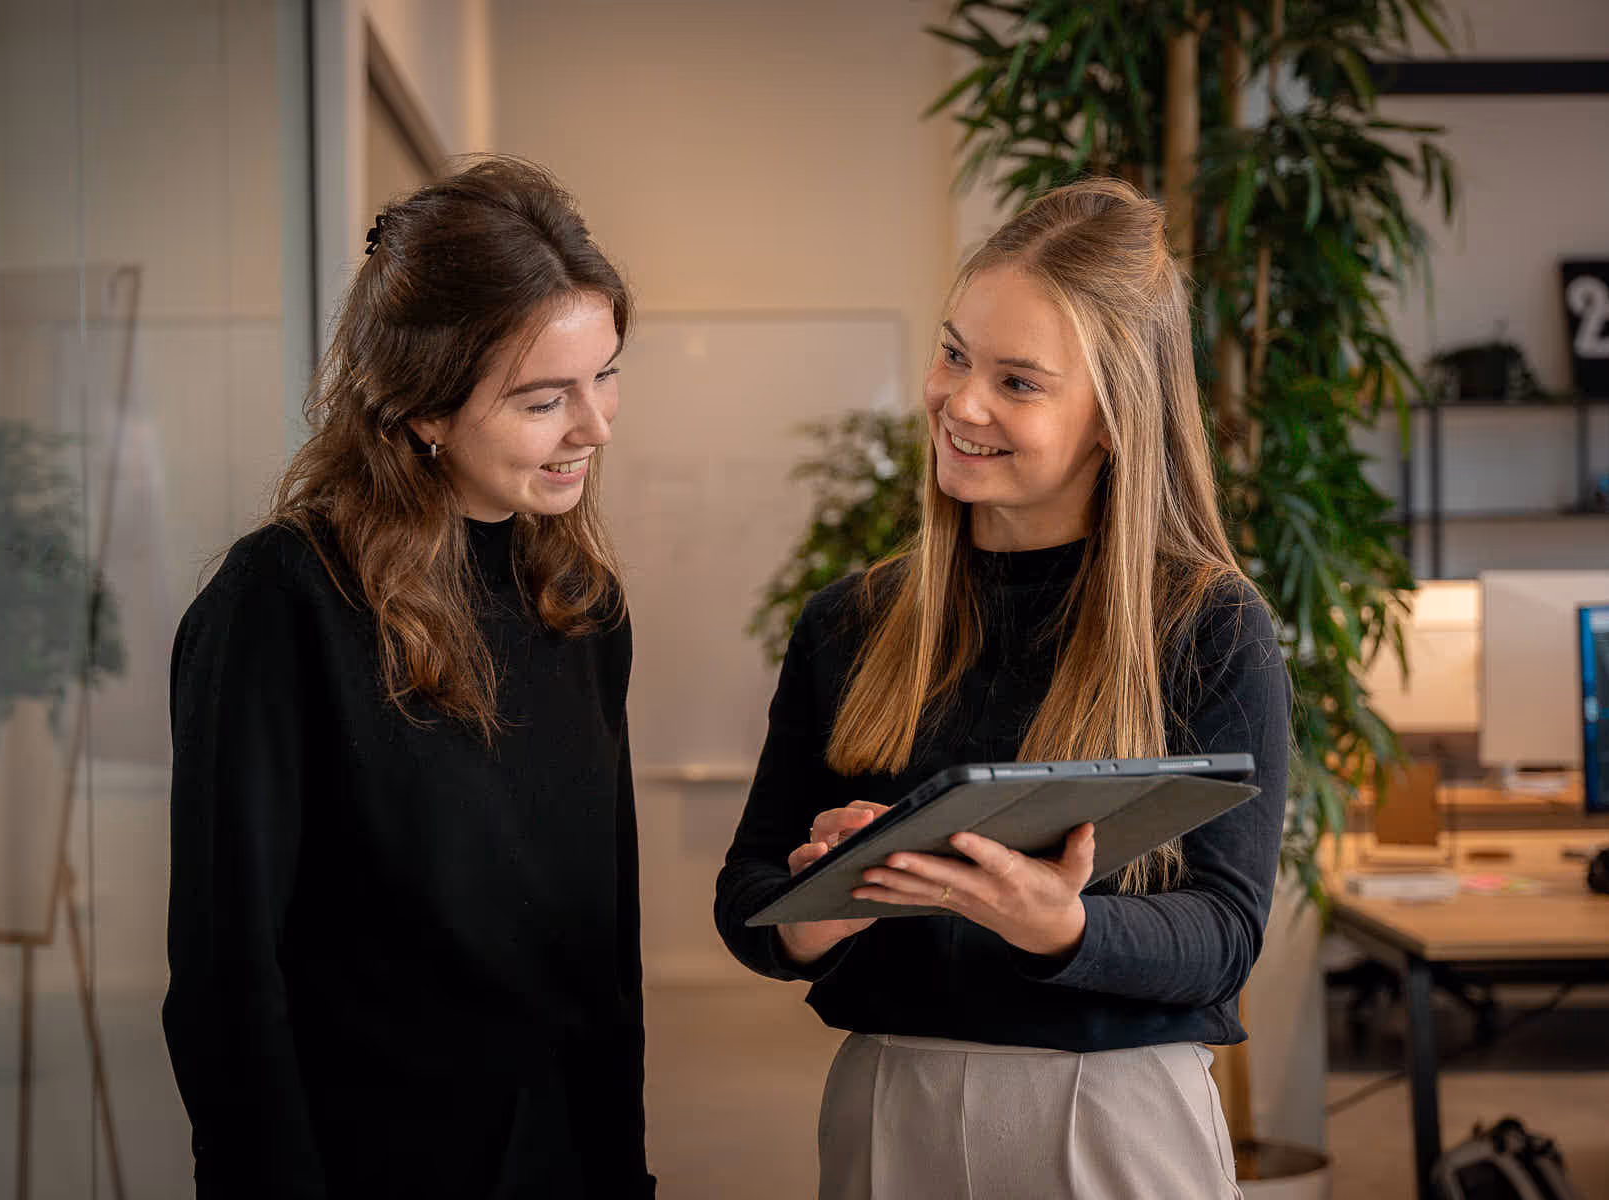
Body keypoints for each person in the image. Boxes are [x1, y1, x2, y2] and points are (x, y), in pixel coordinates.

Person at [714, 177, 1289, 1199]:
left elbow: (1224, 936)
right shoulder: (848, 621)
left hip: (1112, 1116)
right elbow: (751, 900)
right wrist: (827, 904)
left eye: (1019, 382)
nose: (960, 402)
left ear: (1114, 419)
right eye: (953, 354)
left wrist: (1056, 924)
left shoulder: (1209, 627)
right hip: (892, 1100)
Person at [164, 156, 654, 1198]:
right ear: (426, 410)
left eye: (605, 373)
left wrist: (624, 1171)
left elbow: (606, 958)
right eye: (543, 400)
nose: (596, 427)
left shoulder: (583, 604)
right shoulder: (283, 602)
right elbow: (227, 977)